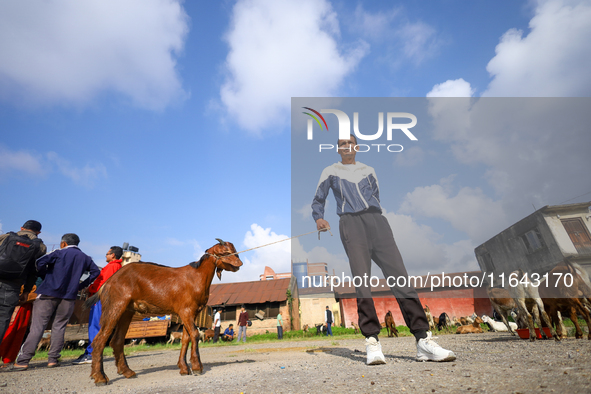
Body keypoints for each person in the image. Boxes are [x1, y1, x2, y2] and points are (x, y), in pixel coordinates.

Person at [312, 134, 456, 364]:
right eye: (341, 144)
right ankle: (372, 341)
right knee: (362, 280)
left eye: (349, 143)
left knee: (400, 277)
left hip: (377, 222)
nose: (346, 146)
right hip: (350, 224)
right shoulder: (330, 171)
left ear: (356, 147)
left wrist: (372, 216)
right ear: (337, 149)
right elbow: (318, 198)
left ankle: (423, 340)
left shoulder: (369, 169)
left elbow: (375, 195)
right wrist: (318, 218)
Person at [13, 233, 100, 370]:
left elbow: (39, 263)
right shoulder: (85, 257)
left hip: (48, 293)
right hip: (69, 297)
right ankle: (53, 359)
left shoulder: (59, 252)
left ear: (63, 243)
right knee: (59, 327)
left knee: (37, 326)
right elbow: (95, 272)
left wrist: (45, 276)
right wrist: (80, 286)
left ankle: (24, 360)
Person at [73, 246, 123, 365]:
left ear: (113, 255)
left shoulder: (112, 266)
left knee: (95, 326)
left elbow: (104, 283)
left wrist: (90, 289)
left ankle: (91, 353)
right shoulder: (116, 266)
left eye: (107, 254)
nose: (105, 256)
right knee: (97, 326)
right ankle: (91, 352)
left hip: (101, 298)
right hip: (104, 298)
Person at [0, 220, 46, 346]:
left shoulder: (5, 237)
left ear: (21, 228)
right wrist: (26, 291)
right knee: (2, 321)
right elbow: (33, 271)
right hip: (12, 287)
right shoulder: (40, 247)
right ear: (38, 232)